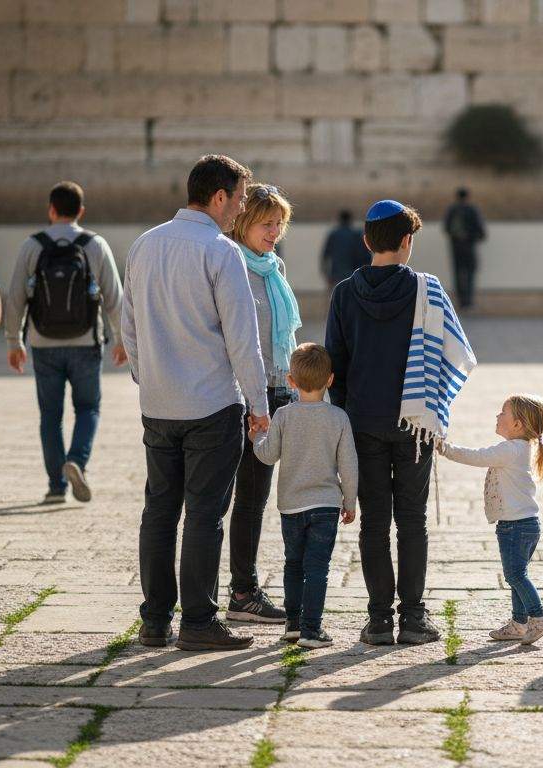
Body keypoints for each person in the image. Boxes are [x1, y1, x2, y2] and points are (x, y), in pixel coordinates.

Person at [121, 155, 270, 652]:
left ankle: (155, 620)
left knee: (159, 512)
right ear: (220, 197)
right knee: (204, 515)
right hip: (210, 405)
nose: (242, 209)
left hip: (158, 403)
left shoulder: (145, 244)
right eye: (241, 198)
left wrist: (148, 378)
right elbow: (242, 340)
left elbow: (129, 325)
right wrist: (258, 403)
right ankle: (199, 622)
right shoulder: (220, 252)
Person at [326, 199, 475, 646]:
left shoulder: (344, 293)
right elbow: (455, 353)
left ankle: (378, 621)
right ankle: (413, 618)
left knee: (374, 522)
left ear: (367, 240)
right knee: (412, 520)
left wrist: (348, 415)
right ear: (407, 241)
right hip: (416, 425)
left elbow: (336, 365)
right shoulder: (427, 291)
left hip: (363, 423)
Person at [3, 181, 127, 504]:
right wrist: (122, 340)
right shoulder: (94, 244)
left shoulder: (33, 246)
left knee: (50, 415)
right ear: (81, 212)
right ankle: (77, 461)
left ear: (51, 210)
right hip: (86, 342)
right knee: (88, 408)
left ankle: (56, 487)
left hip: (44, 345)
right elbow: (115, 297)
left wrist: (13, 341)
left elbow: (15, 297)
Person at [222, 183, 302, 625]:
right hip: (237, 395)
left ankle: (243, 589)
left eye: (279, 224)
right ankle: (239, 591)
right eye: (266, 223)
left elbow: (281, 336)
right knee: (227, 497)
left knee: (254, 496)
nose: (275, 232)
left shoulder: (275, 268)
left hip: (276, 391)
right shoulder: (230, 263)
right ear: (243, 222)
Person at [252, 343, 358, 649]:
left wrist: (257, 437)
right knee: (317, 568)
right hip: (325, 505)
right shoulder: (338, 417)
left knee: (293, 564)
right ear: (330, 380)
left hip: (291, 505)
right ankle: (312, 630)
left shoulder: (283, 416)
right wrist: (349, 502)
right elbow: (348, 466)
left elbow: (268, 455)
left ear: (291, 382)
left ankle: (293, 624)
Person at [438, 394, 543, 645]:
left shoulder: (510, 449)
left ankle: (539, 616)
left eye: (503, 412)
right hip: (525, 524)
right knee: (517, 575)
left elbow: (478, 456)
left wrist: (445, 448)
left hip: (515, 525)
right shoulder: (522, 448)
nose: (497, 416)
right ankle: (518, 624)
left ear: (517, 425)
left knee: (515, 576)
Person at [442, 187, 486, 310]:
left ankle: (461, 302)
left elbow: (446, 228)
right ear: (467, 197)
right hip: (469, 247)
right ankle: (469, 302)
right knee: (470, 273)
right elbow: (481, 231)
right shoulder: (472, 210)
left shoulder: (452, 210)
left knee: (457, 273)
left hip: (456, 247)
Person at [320, 209, 370, 287]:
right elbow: (365, 256)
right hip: (354, 276)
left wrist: (327, 275)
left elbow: (325, 256)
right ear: (351, 220)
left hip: (336, 276)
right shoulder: (357, 234)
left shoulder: (334, 235)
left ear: (339, 220)